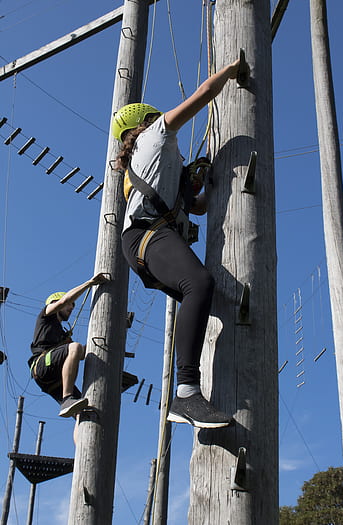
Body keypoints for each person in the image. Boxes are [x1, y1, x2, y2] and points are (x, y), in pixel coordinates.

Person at [113, 59, 242, 429]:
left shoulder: (159, 165)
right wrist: (233, 69)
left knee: (204, 295)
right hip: (147, 235)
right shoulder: (154, 136)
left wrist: (202, 184)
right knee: (199, 284)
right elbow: (204, 93)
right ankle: (186, 393)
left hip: (147, 239)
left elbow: (198, 209)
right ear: (147, 122)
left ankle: (191, 390)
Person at [28, 273, 107, 419]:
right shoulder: (46, 316)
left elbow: (81, 355)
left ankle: (77, 425)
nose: (71, 308)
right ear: (55, 304)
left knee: (84, 414)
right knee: (74, 347)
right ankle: (67, 398)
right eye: (70, 305)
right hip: (41, 366)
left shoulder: (63, 335)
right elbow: (65, 300)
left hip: (53, 380)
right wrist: (89, 283)